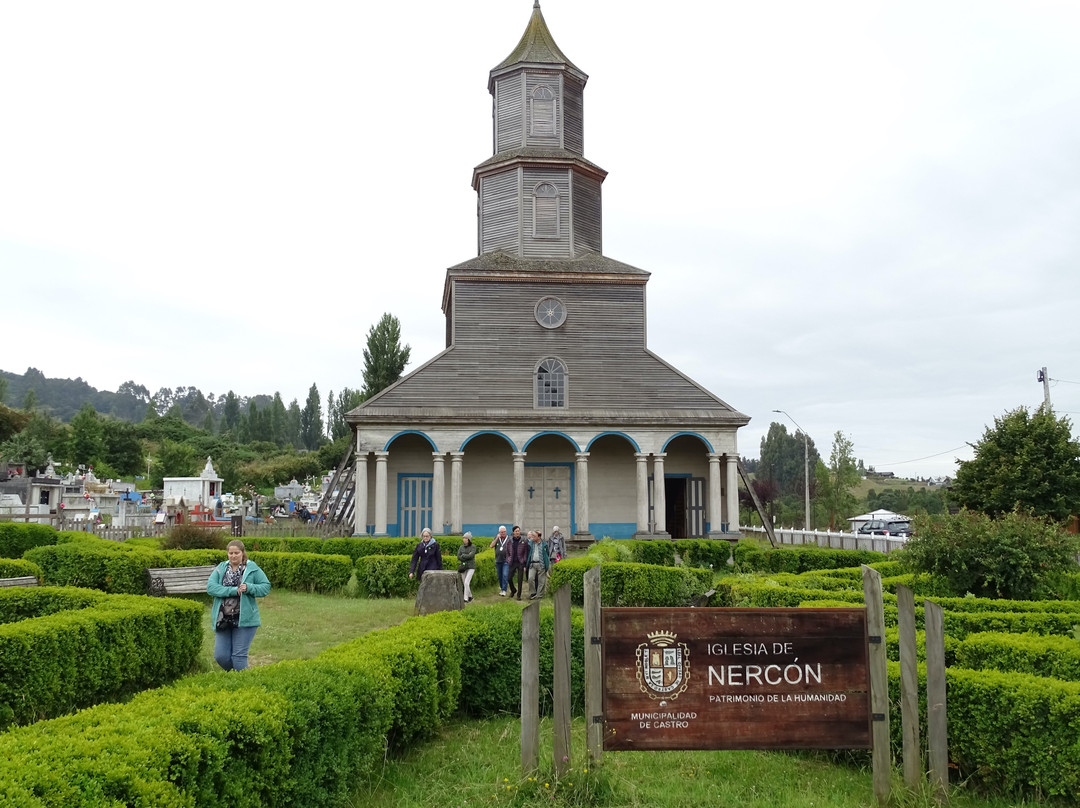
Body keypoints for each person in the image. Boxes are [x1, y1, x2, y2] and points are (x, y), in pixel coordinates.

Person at [206, 539, 271, 671]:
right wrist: (233, 590)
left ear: (242, 553)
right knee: (221, 656)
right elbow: (211, 588)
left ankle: (245, 685)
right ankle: (239, 676)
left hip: (244, 620)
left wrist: (249, 588)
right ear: (227, 554)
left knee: (238, 657)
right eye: (231, 553)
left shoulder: (252, 568)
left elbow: (265, 587)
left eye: (236, 553)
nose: (233, 556)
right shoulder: (221, 568)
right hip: (223, 618)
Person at [526, 529, 551, 600]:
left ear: (539, 537)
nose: (532, 537)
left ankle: (539, 595)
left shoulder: (544, 544)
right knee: (530, 578)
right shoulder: (530, 543)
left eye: (534, 536)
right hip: (532, 564)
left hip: (541, 564)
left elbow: (547, 554)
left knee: (541, 581)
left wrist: (546, 563)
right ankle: (533, 593)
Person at [490, 525, 511, 596]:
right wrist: (496, 538)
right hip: (498, 560)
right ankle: (502, 588)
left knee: (505, 575)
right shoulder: (497, 538)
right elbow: (491, 546)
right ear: (499, 532)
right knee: (500, 576)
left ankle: (504, 590)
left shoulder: (509, 539)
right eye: (501, 532)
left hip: (506, 561)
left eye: (504, 532)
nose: (503, 534)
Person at [507, 525, 527, 600]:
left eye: (518, 531)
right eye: (516, 531)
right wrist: (508, 559)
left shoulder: (523, 540)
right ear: (513, 532)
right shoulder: (510, 541)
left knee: (520, 579)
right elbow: (507, 551)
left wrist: (524, 561)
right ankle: (513, 590)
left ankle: (519, 595)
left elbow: (525, 552)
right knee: (509, 578)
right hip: (512, 562)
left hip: (520, 562)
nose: (518, 532)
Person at [457, 531, 477, 602]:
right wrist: (465, 556)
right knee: (464, 583)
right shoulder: (461, 547)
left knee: (466, 582)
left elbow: (471, 556)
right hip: (463, 567)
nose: (464, 539)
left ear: (469, 539)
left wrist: (463, 555)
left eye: (465, 538)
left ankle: (465, 598)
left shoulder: (473, 547)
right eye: (463, 538)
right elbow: (458, 557)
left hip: (471, 567)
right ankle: (470, 596)